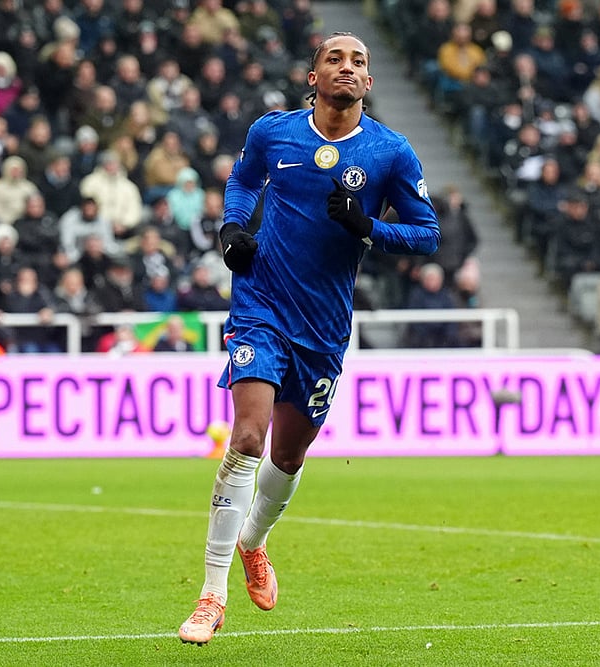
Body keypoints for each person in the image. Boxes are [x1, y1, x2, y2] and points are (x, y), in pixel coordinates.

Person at [178, 31, 441, 646]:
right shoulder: (274, 133)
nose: (347, 67)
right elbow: (242, 182)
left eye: (359, 62)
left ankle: (254, 542)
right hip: (261, 302)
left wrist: (368, 226)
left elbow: (427, 233)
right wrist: (234, 229)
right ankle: (210, 596)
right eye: (335, 59)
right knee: (247, 435)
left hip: (323, 326)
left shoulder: (390, 152)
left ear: (369, 83)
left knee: (288, 456)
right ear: (312, 77)